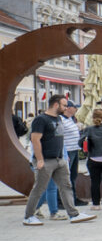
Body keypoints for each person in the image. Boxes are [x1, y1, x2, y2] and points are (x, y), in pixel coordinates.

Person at [22, 95, 96, 226]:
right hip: (46, 160)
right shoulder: (41, 120)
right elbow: (35, 139)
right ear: (56, 105)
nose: (66, 108)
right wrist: (39, 160)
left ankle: (73, 214)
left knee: (66, 186)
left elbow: (60, 138)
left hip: (59, 159)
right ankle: (28, 216)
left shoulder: (58, 119)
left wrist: (64, 155)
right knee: (39, 188)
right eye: (64, 105)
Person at [59, 100, 87, 206]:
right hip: (67, 151)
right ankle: (62, 201)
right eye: (74, 107)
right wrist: (63, 153)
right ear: (68, 108)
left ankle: (73, 198)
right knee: (65, 176)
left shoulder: (70, 119)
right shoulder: (61, 119)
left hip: (74, 150)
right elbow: (60, 136)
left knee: (73, 175)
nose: (76, 109)